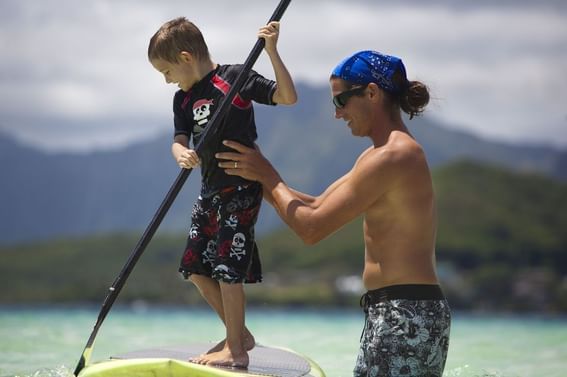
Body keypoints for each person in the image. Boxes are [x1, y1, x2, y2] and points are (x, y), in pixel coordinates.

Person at [216, 50, 451, 376]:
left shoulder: (394, 156)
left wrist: (266, 174)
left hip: (405, 314)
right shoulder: (378, 155)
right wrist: (251, 169)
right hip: (395, 312)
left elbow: (311, 228)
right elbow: (313, 206)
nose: (337, 115)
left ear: (371, 93)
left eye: (340, 102)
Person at [147, 17, 297, 368]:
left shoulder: (235, 78)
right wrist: (180, 154)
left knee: (228, 270)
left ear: (186, 58)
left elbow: (288, 97)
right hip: (209, 190)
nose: (167, 80)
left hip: (241, 187)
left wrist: (272, 51)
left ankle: (236, 350)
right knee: (195, 268)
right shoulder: (182, 100)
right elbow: (179, 139)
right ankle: (239, 334)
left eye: (167, 71)